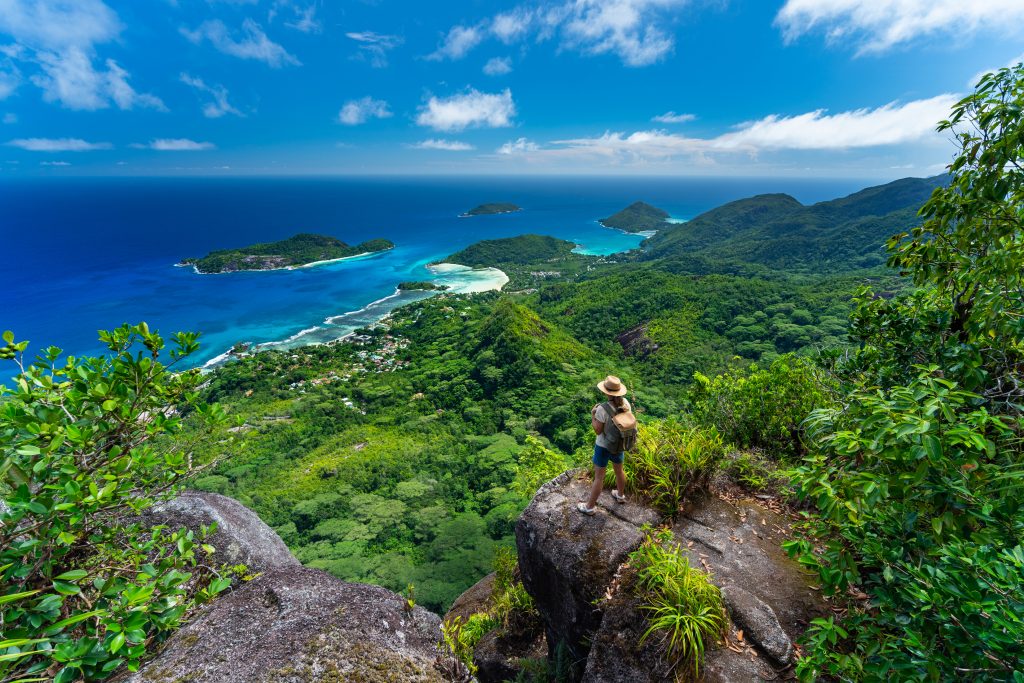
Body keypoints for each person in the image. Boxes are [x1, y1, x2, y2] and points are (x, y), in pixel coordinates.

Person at [577, 375, 630, 515]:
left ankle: (589, 507)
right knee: (619, 470)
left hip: (603, 446)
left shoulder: (602, 409)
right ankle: (620, 495)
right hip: (619, 443)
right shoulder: (625, 403)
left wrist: (593, 415)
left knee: (599, 477)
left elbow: (597, 430)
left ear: (606, 392)